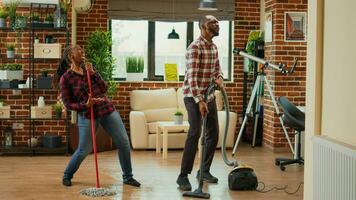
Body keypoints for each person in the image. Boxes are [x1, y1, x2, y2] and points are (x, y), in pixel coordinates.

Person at [57, 45, 141, 188]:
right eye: (79, 50)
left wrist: (94, 73)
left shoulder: (90, 70)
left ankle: (128, 177)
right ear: (71, 56)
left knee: (124, 143)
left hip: (106, 109)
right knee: (84, 149)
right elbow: (68, 104)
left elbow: (104, 88)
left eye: (83, 50)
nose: (83, 52)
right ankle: (67, 175)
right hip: (88, 114)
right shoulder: (66, 78)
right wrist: (85, 105)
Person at [176, 15, 224, 191]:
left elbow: (217, 68)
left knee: (214, 133)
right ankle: (183, 175)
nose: (217, 24)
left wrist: (219, 77)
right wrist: (200, 101)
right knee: (195, 132)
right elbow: (192, 78)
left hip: (208, 96)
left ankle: (204, 170)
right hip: (193, 96)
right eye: (213, 22)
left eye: (218, 22)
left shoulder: (214, 47)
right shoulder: (195, 48)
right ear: (204, 27)